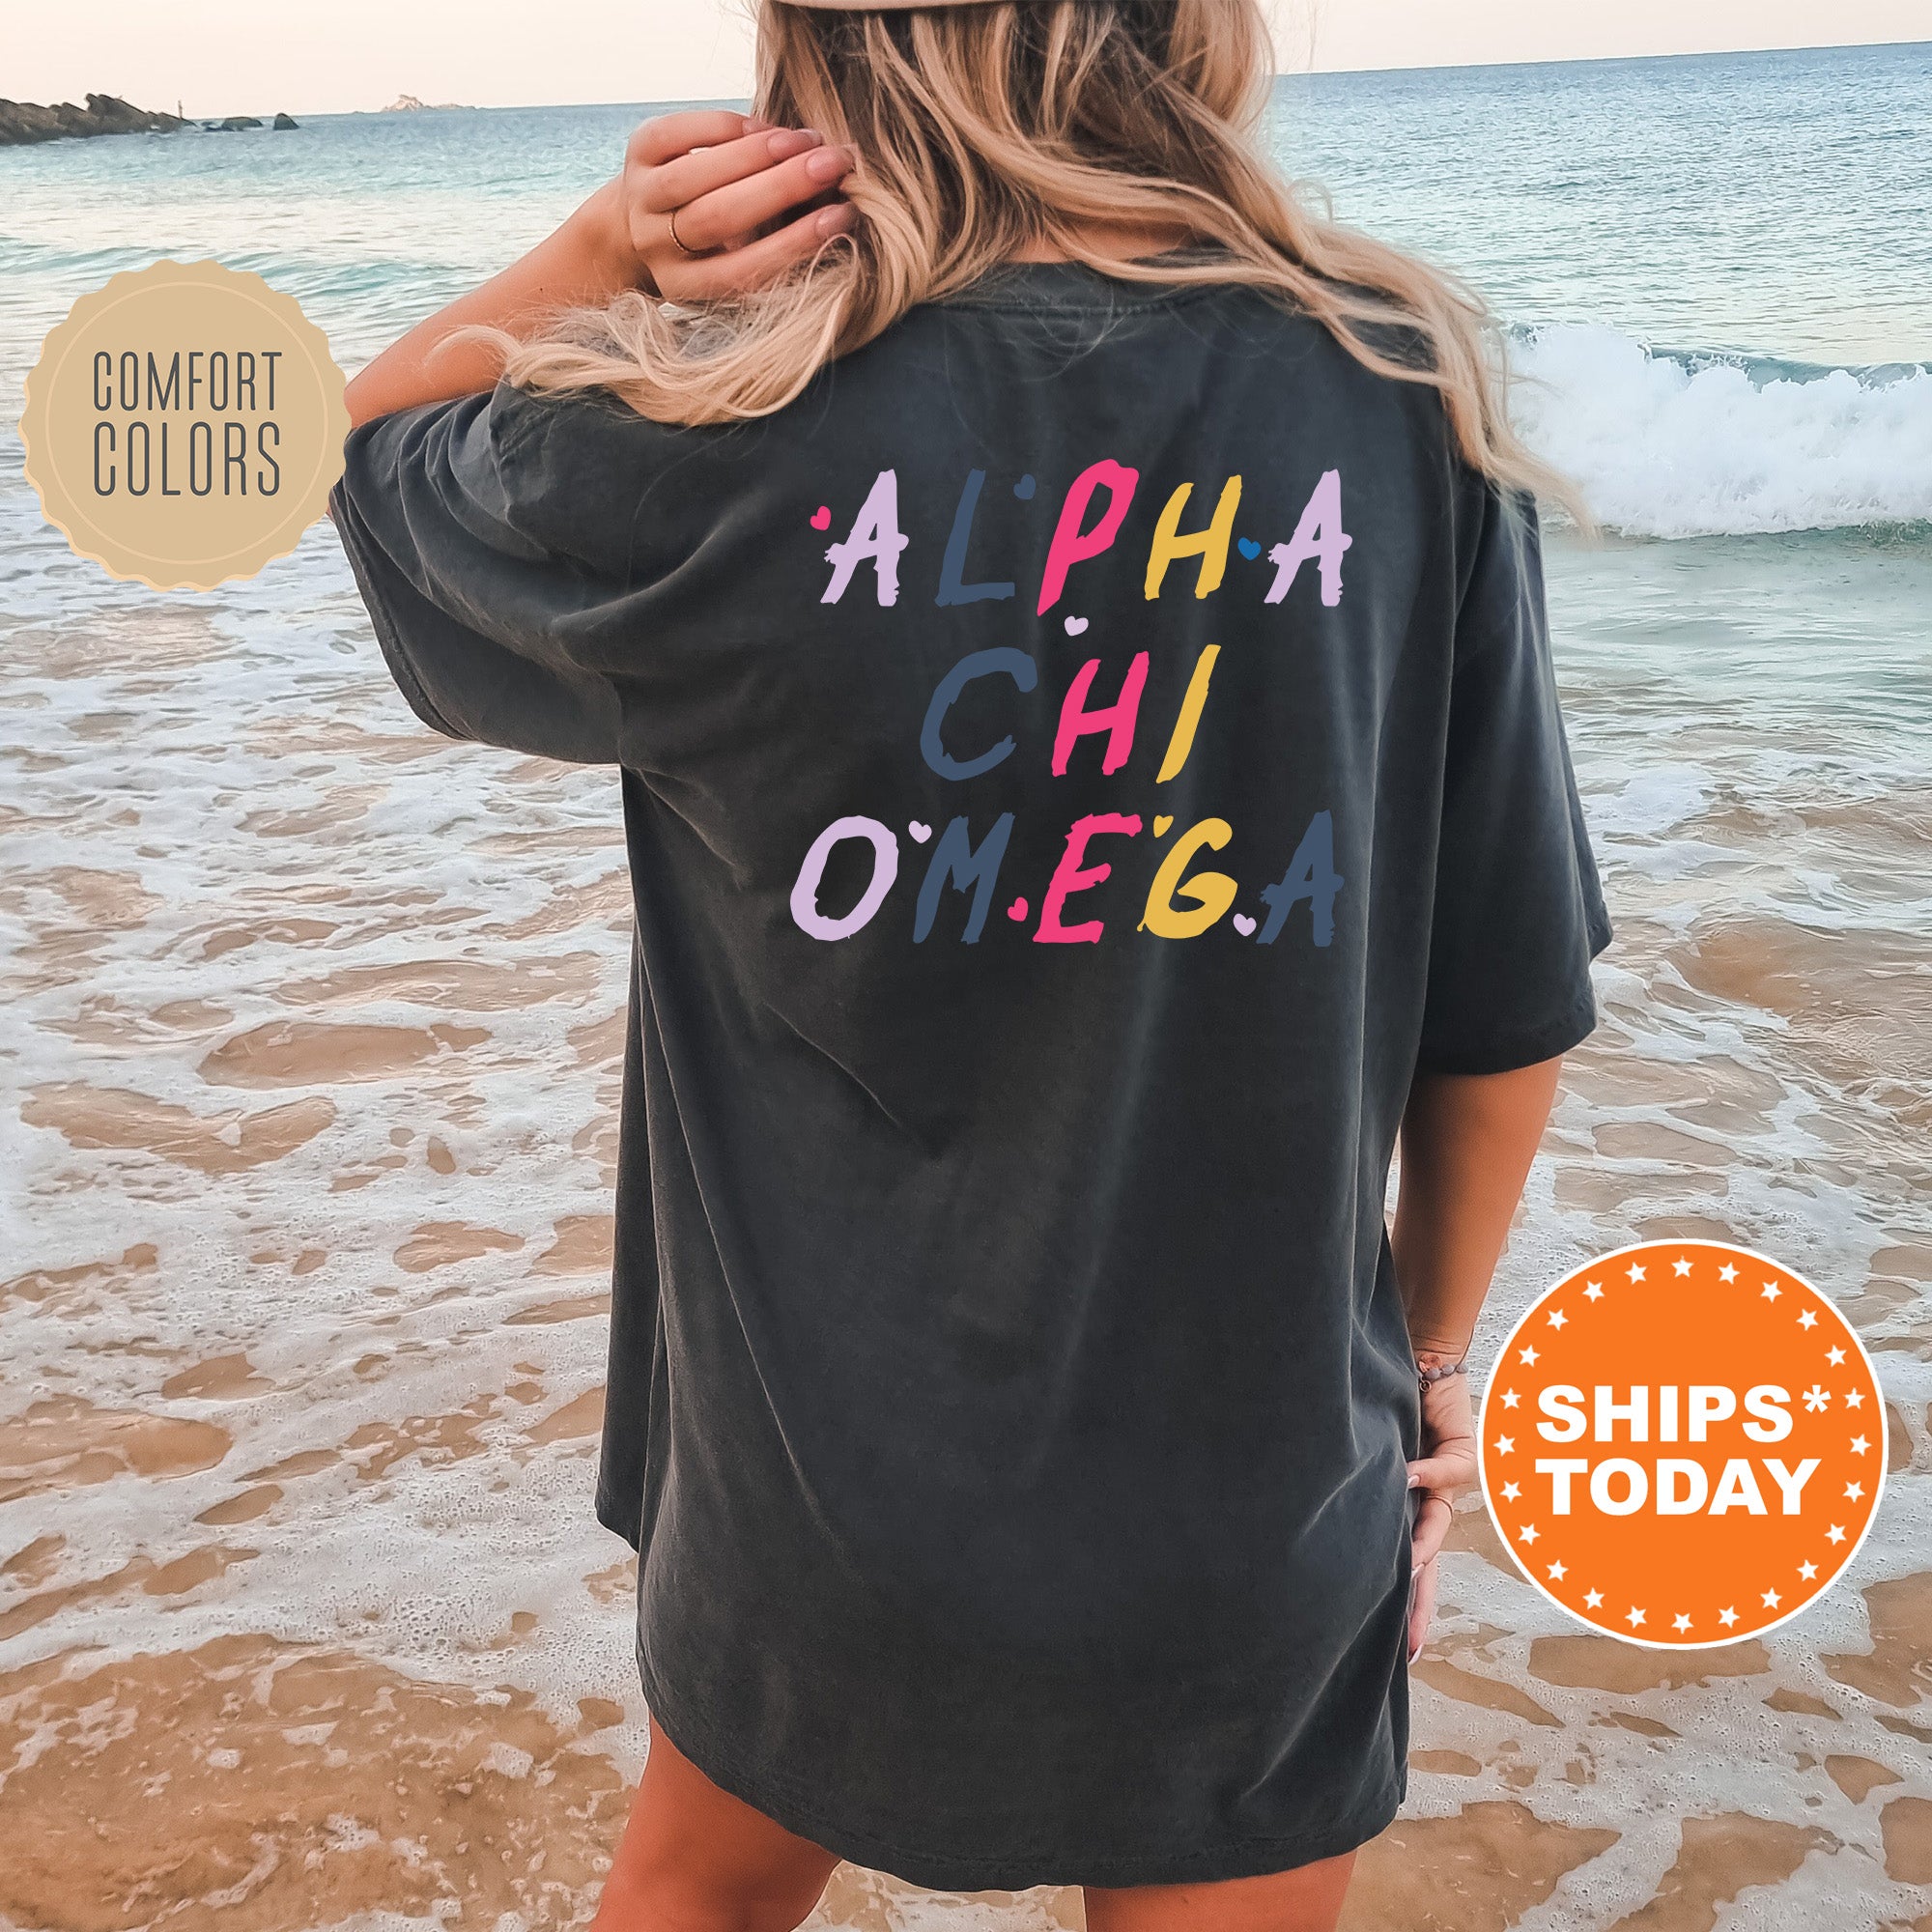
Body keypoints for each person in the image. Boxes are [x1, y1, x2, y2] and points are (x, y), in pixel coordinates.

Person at [329, 1, 1612, 1926]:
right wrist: (1431, 1365)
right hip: (1248, 1485)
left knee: (692, 1892)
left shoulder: (709, 425)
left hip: (816, 1492)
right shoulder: (1394, 391)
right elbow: (1503, 1002)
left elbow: (363, 452)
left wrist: (609, 251)